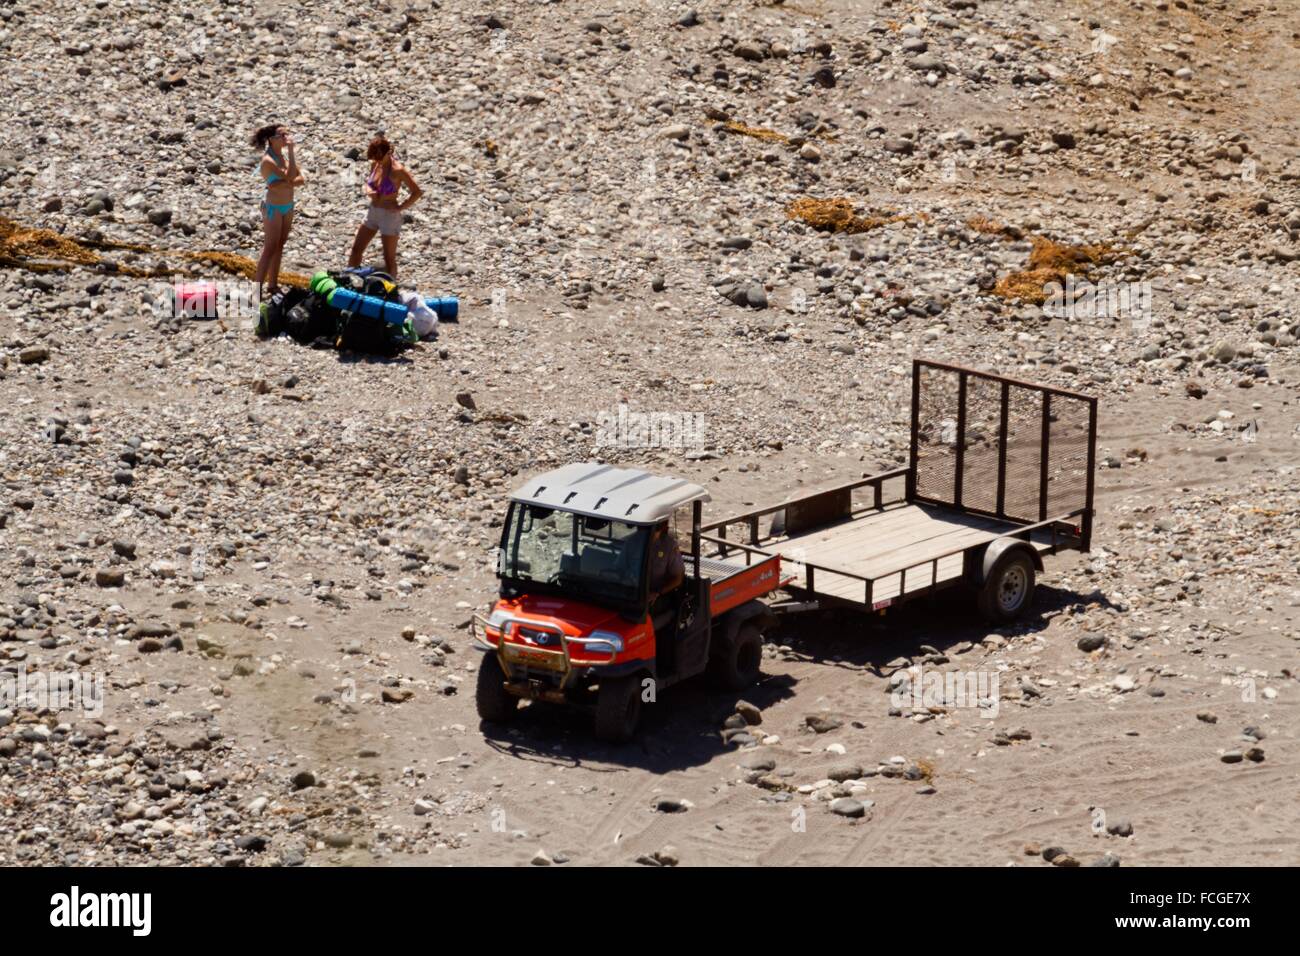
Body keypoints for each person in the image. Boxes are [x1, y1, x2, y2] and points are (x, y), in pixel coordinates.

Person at [346, 134, 423, 279]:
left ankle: (392, 288)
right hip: (373, 212)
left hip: (389, 216)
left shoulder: (398, 170)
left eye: (380, 157)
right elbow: (369, 184)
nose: (377, 161)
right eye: (375, 158)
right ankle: (349, 279)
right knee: (356, 249)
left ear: (389, 153)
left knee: (389, 258)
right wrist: (369, 191)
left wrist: (401, 207)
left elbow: (417, 192)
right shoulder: (375, 164)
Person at [251, 123, 305, 300]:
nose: (286, 138)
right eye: (282, 135)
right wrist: (289, 177)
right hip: (273, 208)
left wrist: (286, 181)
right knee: (269, 247)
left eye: (286, 134)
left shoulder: (283, 159)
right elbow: (291, 177)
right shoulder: (269, 160)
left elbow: (301, 178)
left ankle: (273, 284)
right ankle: (256, 290)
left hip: (287, 205)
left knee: (280, 245)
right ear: (272, 139)